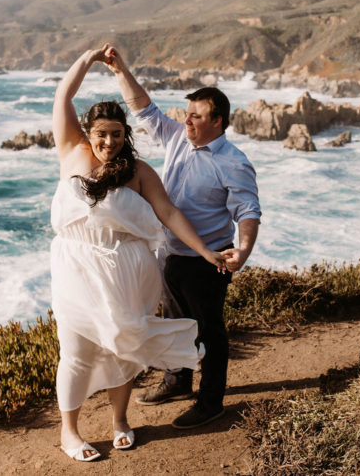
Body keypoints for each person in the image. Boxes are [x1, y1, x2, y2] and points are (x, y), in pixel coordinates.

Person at [50, 46, 227, 462]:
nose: (108, 142)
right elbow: (62, 97)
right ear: (88, 134)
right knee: (75, 351)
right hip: (77, 266)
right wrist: (89, 60)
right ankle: (69, 432)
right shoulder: (71, 153)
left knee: (122, 346)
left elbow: (168, 212)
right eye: (101, 134)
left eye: (116, 134)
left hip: (127, 269)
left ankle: (119, 421)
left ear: (124, 135)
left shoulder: (139, 172)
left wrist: (206, 252)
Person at [103, 44, 261, 430]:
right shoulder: (176, 137)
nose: (186, 121)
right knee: (174, 324)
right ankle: (177, 382)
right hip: (169, 253)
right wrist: (119, 68)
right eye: (186, 114)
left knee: (209, 332)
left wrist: (243, 250)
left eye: (196, 117)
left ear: (218, 121)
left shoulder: (234, 163)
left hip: (208, 260)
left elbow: (248, 211)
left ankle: (211, 403)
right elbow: (142, 106)